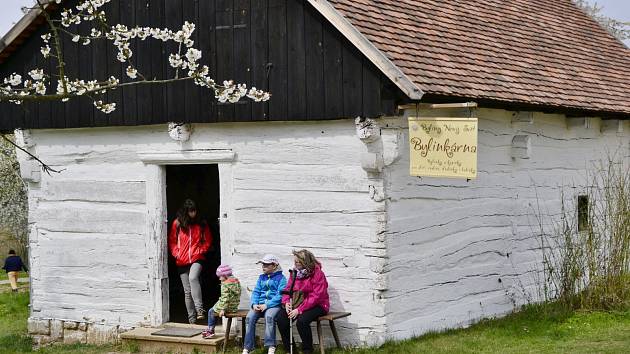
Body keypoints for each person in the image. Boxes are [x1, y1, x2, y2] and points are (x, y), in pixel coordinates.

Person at [168, 199, 213, 324]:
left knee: (193, 278)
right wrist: (176, 253)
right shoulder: (177, 223)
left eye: (194, 211)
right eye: (190, 211)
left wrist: (200, 250)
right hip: (181, 260)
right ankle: (192, 320)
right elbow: (172, 241)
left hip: (197, 258)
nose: (193, 213)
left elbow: (208, 240)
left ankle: (199, 310)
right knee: (187, 291)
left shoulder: (202, 223)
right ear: (185, 212)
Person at [277, 249, 330, 354]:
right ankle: (291, 350)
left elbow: (316, 296)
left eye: (298, 261)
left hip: (318, 304)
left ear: (306, 262)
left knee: (302, 321)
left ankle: (307, 350)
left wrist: (299, 310)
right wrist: (286, 302)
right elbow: (288, 289)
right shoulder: (294, 273)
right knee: (281, 319)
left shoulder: (318, 274)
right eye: (295, 261)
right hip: (298, 303)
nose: (296, 263)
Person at [243, 254, 287, 354]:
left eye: (266, 265)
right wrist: (254, 304)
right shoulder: (261, 278)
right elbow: (256, 292)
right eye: (263, 264)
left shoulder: (281, 278)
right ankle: (248, 347)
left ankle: (271, 345)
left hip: (274, 306)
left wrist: (267, 305)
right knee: (249, 317)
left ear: (274, 266)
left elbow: (280, 296)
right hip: (259, 305)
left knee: (269, 317)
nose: (263, 267)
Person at [202, 264, 241, 338]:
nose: (219, 278)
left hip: (227, 306)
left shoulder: (225, 284)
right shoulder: (236, 281)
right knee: (216, 306)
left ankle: (210, 330)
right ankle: (211, 329)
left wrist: (223, 309)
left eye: (220, 276)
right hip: (234, 306)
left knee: (211, 311)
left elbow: (225, 298)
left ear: (226, 275)